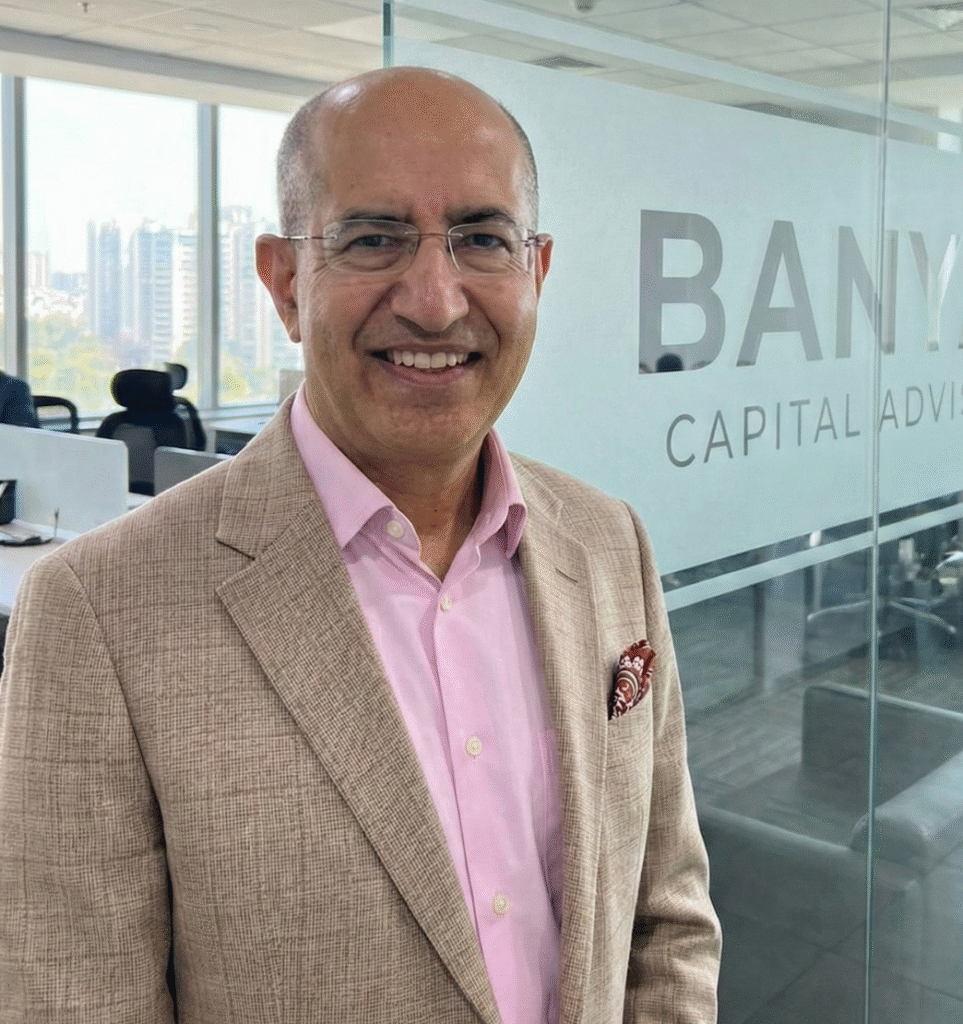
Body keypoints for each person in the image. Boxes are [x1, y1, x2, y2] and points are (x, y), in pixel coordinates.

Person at [0, 67, 720, 1023]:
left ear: (536, 272)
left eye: (482, 239)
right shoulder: (99, 610)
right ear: (285, 284)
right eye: (373, 239)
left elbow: (667, 914)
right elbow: (73, 1000)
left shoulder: (606, 540)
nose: (435, 302)